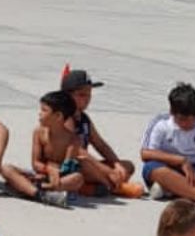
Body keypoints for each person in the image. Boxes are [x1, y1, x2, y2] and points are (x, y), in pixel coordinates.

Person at [60, 69, 142, 198]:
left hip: (88, 163)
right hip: (68, 165)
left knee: (128, 166)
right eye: (82, 95)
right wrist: (108, 171)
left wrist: (116, 164)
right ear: (67, 96)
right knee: (84, 165)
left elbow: (100, 145)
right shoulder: (65, 118)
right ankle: (113, 186)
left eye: (89, 94)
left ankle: (92, 186)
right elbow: (79, 151)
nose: (87, 99)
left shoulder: (84, 118)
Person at [1, 90, 83, 208]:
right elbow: (35, 163)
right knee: (5, 168)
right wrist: (48, 169)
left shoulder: (73, 140)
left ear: (58, 116)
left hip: (59, 179)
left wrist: (55, 174)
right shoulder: (39, 132)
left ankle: (29, 189)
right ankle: (41, 194)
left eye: (44, 110)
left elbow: (68, 168)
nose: (39, 114)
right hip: (40, 175)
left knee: (78, 178)